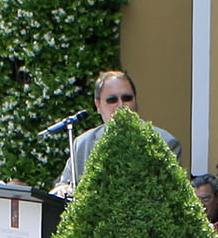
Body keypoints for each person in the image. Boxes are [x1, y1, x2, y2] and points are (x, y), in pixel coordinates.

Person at [52, 70, 183, 196]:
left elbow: (173, 196)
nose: (121, 105)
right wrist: (63, 189)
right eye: (112, 100)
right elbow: (62, 185)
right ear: (98, 105)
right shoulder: (82, 145)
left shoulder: (166, 143)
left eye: (127, 98)